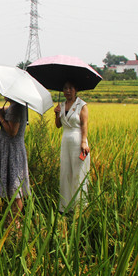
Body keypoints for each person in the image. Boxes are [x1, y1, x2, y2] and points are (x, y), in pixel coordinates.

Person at [0, 99, 30, 225]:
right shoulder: (16, 106)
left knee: (15, 187)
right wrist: (4, 110)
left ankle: (14, 223)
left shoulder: (16, 108)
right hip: (11, 149)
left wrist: (1, 117)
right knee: (12, 186)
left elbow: (12, 131)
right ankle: (10, 221)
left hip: (12, 150)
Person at [53, 81, 90, 213]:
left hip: (78, 140)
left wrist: (83, 142)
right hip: (66, 140)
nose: (67, 91)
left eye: (70, 88)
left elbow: (84, 124)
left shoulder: (82, 105)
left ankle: (80, 207)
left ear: (76, 90)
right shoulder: (61, 105)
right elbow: (58, 125)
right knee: (66, 172)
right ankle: (65, 207)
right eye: (65, 88)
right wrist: (56, 113)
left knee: (78, 173)